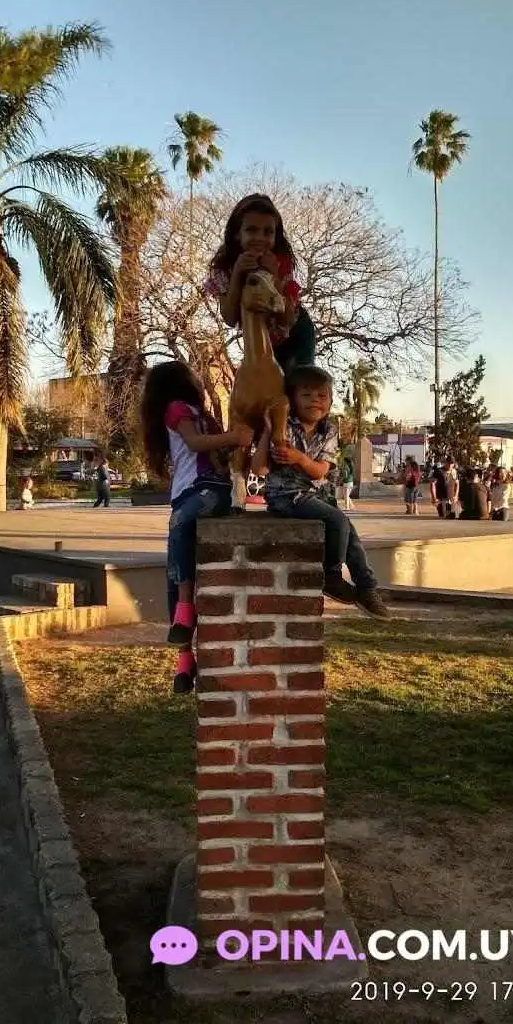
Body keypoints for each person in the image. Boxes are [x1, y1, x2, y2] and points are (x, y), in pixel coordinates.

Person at [141, 360, 253, 693]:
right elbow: (193, 442)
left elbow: (218, 456)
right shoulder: (177, 409)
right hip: (188, 493)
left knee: (180, 529)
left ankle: (185, 611)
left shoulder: (204, 416)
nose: (200, 381)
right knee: (176, 569)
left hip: (211, 491)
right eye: (194, 376)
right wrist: (232, 436)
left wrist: (235, 443)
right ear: (179, 382)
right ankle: (184, 658)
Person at [251, 365, 389, 619]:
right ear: (292, 400)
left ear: (330, 401)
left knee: (350, 534)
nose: (315, 400)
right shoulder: (284, 427)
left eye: (322, 396)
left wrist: (299, 458)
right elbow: (259, 469)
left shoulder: (330, 431)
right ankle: (331, 575)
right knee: (338, 520)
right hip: (285, 496)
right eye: (306, 395)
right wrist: (269, 430)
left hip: (315, 494)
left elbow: (319, 471)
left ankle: (367, 587)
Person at [204, 193, 315, 375]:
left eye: (268, 232)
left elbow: (287, 318)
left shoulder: (280, 263)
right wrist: (237, 273)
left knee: (298, 384)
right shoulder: (224, 270)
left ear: (275, 235)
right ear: (237, 234)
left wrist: (275, 276)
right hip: (260, 340)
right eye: (251, 230)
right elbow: (230, 318)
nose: (260, 238)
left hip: (296, 335)